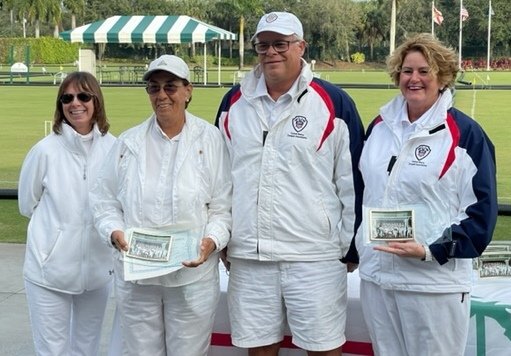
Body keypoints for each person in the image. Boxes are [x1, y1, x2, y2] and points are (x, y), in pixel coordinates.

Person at [215, 11, 365, 356]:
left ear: (301, 47)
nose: (271, 52)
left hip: (315, 257)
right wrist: (223, 236)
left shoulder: (333, 102)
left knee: (324, 349)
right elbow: (220, 179)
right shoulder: (233, 102)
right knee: (259, 350)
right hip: (250, 257)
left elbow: (352, 180)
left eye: (280, 44)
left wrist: (350, 246)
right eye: (263, 45)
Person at [349, 33, 498, 355]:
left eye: (423, 71)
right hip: (378, 278)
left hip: (433, 285)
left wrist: (430, 249)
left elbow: (481, 213)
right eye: (406, 71)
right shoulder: (379, 127)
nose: (413, 79)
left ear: (442, 77)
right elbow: (363, 193)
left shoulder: (465, 134)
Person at [90, 54, 231, 356]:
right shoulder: (128, 142)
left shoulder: (211, 139)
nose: (162, 95)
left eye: (170, 87)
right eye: (154, 88)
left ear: (188, 90)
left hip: (192, 276)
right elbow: (104, 200)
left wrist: (212, 241)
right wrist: (114, 232)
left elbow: (222, 205)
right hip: (139, 277)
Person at [18, 71, 116, 355]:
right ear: (60, 105)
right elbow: (28, 204)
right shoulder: (44, 151)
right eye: (67, 97)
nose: (76, 103)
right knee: (53, 351)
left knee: (86, 349)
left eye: (84, 96)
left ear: (96, 101)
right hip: (48, 273)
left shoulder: (115, 148)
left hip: (98, 273)